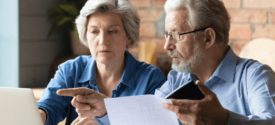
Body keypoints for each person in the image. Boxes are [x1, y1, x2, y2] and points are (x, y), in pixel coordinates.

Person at [58, 0, 275, 125]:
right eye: (166, 35)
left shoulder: (255, 76)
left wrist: (224, 120)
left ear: (208, 38)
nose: (167, 46)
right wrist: (106, 109)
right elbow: (148, 117)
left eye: (176, 35)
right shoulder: (177, 80)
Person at [37, 0, 166, 125]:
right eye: (94, 31)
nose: (102, 40)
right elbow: (48, 108)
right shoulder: (70, 71)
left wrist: (106, 120)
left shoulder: (151, 78)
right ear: (86, 36)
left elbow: (161, 121)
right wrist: (40, 115)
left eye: (112, 31)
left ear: (128, 36)